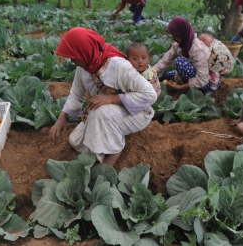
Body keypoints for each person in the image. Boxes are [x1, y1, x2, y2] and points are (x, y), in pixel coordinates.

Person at [49, 27, 157, 166]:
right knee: (74, 140)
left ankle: (112, 154)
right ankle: (112, 133)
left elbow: (150, 95)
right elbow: (76, 94)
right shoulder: (84, 67)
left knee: (99, 111)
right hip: (111, 111)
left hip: (138, 113)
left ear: (83, 52)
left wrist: (111, 99)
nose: (71, 60)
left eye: (73, 56)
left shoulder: (119, 66)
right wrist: (62, 117)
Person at [152, 17, 212, 94]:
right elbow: (164, 62)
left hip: (205, 82)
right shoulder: (178, 45)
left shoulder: (198, 49)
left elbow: (203, 79)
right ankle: (183, 81)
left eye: (175, 34)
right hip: (191, 73)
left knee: (180, 62)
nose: (173, 37)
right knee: (166, 75)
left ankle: (190, 88)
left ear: (182, 32)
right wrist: (149, 75)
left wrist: (181, 87)